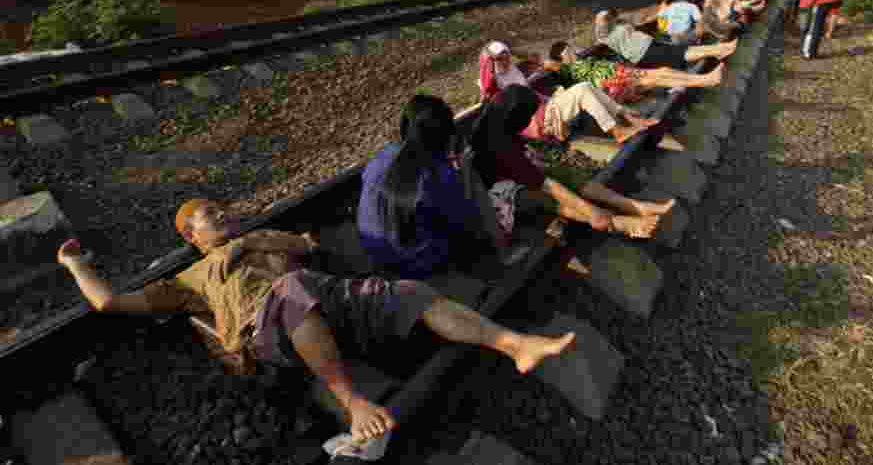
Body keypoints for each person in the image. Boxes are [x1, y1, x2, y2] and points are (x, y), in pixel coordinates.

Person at [56, 200, 576, 447]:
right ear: (192, 237)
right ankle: (352, 403)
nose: (224, 216)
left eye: (222, 209)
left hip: (328, 300)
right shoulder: (191, 278)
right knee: (290, 289)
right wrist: (75, 264)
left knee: (412, 293)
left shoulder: (261, 237)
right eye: (212, 217)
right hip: (271, 330)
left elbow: (309, 245)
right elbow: (108, 304)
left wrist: (254, 241)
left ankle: (515, 344)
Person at [465, 85, 675, 240]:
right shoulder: (498, 141)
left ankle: (635, 206)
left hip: (513, 172)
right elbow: (544, 184)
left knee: (563, 172)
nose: (529, 121)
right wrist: (591, 211)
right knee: (546, 197)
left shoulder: (496, 117)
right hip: (498, 192)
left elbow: (530, 165)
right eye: (527, 116)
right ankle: (620, 223)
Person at [358, 94, 520, 279]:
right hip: (413, 264)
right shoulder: (438, 175)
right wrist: (467, 172)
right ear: (445, 138)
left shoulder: (383, 155)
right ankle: (504, 254)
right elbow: (468, 222)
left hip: (374, 250)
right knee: (475, 201)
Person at [479, 41, 658, 144]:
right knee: (582, 90)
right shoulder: (494, 83)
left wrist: (509, 50)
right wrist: (489, 61)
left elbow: (534, 57)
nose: (505, 58)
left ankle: (626, 117)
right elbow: (488, 89)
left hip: (544, 107)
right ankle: (617, 129)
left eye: (506, 54)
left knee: (585, 87)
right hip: (536, 121)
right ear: (490, 61)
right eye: (500, 57)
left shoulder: (513, 69)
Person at [544, 40, 725, 101]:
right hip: (614, 85)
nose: (571, 51)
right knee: (658, 78)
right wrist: (559, 61)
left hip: (621, 74)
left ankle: (705, 78)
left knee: (663, 70)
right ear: (562, 58)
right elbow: (547, 64)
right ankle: (707, 80)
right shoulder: (568, 69)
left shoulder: (583, 59)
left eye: (569, 48)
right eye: (566, 52)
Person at [594, 8, 738, 70]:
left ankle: (719, 50)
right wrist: (610, 16)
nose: (611, 16)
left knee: (682, 50)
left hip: (649, 44)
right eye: (608, 17)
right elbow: (602, 19)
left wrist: (617, 18)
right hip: (641, 54)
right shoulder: (603, 35)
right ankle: (718, 50)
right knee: (681, 54)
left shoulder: (618, 24)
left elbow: (629, 20)